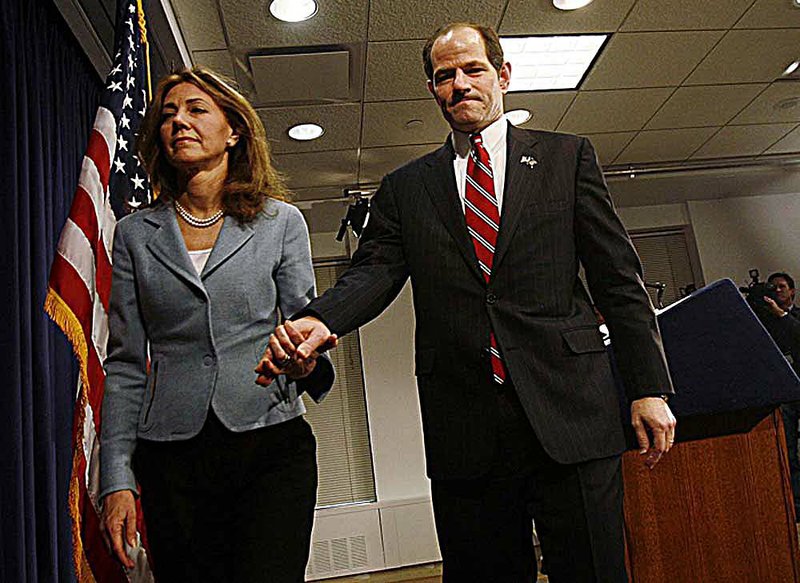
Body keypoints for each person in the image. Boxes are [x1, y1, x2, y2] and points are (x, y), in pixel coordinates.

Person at [262, 23, 676, 583]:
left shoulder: (566, 158)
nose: (459, 84)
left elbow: (618, 281)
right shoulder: (407, 188)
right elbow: (373, 274)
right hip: (467, 426)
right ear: (434, 90)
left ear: (503, 76)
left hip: (571, 411)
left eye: (473, 69)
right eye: (444, 76)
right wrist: (317, 318)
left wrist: (648, 387)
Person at [98, 66, 334, 582]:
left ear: (233, 132)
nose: (178, 121)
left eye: (195, 109)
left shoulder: (280, 223)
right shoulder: (136, 235)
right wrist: (115, 475)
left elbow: (305, 327)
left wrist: (304, 359)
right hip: (172, 461)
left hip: (270, 448)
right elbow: (124, 364)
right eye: (168, 115)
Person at [760, 272, 800, 518]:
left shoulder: (795, 316)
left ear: (793, 291)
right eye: (773, 287)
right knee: (788, 451)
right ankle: (795, 501)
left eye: (782, 287)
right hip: (783, 393)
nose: (778, 291)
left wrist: (781, 315)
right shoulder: (765, 320)